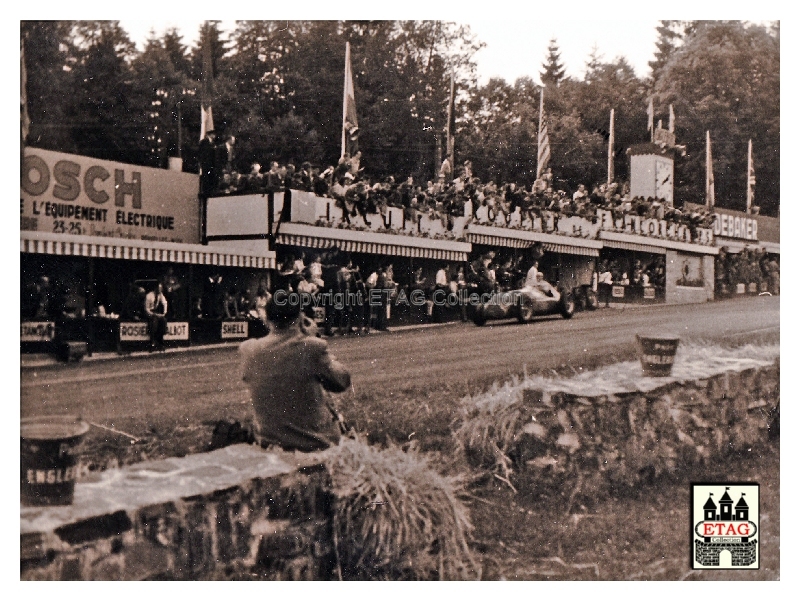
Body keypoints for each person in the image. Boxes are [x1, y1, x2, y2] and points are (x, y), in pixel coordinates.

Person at [239, 298, 351, 452]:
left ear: (266, 318)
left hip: (272, 444)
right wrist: (314, 338)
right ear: (300, 318)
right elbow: (342, 381)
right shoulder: (312, 346)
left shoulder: (248, 349)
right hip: (316, 444)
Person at [144, 283, 168, 351]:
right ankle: (152, 343)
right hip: (149, 312)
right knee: (154, 322)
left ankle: (161, 342)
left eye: (161, 288)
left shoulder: (160, 295)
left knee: (163, 320)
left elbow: (165, 303)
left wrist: (164, 313)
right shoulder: (149, 296)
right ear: (155, 288)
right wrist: (154, 314)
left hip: (156, 312)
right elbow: (146, 309)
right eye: (159, 288)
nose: (160, 290)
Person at [198, 129, 219, 199]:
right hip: (206, 164)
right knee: (205, 178)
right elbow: (202, 154)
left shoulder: (213, 143)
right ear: (210, 135)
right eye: (213, 134)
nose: (214, 136)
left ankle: (210, 192)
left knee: (210, 178)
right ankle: (205, 192)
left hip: (211, 165)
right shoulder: (204, 142)